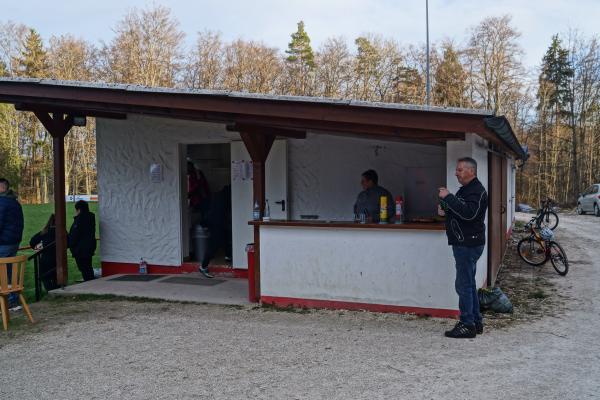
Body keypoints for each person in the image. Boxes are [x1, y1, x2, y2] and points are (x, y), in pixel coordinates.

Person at [438, 157, 488, 339]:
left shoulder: (477, 191)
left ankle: (467, 324)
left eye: (459, 170)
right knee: (469, 283)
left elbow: (470, 214)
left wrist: (449, 197)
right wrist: (446, 209)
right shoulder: (466, 190)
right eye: (457, 170)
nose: (456, 173)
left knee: (463, 284)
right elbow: (461, 211)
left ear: (471, 171)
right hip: (464, 242)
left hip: (468, 244)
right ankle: (475, 321)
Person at [0, 178, 24, 308]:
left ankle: (7, 302)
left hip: (3, 243)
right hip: (13, 242)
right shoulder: (15, 202)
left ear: (2, 187)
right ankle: (13, 300)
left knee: (3, 273)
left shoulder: (2, 202)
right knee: (9, 271)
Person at [199, 185, 231, 278]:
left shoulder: (217, 196)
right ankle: (203, 266)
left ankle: (228, 255)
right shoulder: (225, 198)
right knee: (214, 245)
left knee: (224, 238)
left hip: (213, 222)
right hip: (216, 223)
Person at [68, 200, 97, 281]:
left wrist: (71, 245)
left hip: (80, 249)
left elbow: (74, 235)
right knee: (88, 267)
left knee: (84, 269)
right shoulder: (90, 218)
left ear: (79, 210)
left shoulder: (80, 220)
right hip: (89, 247)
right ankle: (91, 284)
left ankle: (89, 286)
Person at [29, 214, 60, 291]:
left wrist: (38, 247)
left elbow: (32, 242)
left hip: (46, 259)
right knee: (56, 277)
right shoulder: (62, 232)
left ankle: (50, 292)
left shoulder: (45, 231)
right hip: (58, 259)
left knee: (45, 277)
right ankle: (56, 291)